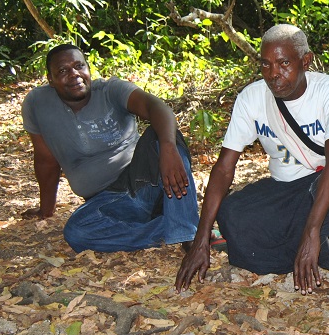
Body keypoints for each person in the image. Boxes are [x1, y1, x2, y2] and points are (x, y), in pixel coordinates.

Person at [175, 24, 329, 295]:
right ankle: (322, 244)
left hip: (325, 180)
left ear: (306, 61)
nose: (273, 74)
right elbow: (224, 168)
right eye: (265, 65)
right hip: (284, 189)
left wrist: (311, 231)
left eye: (284, 63)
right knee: (233, 212)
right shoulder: (252, 98)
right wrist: (201, 237)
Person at [21, 44, 199, 253]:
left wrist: (168, 147)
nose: (74, 74)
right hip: (106, 202)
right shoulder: (37, 104)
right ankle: (173, 225)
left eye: (79, 66)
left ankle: (189, 235)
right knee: (77, 232)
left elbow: (156, 107)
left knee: (162, 135)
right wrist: (46, 209)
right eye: (63, 71)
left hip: (145, 184)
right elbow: (46, 159)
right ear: (50, 79)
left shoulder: (110, 91)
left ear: (88, 69)